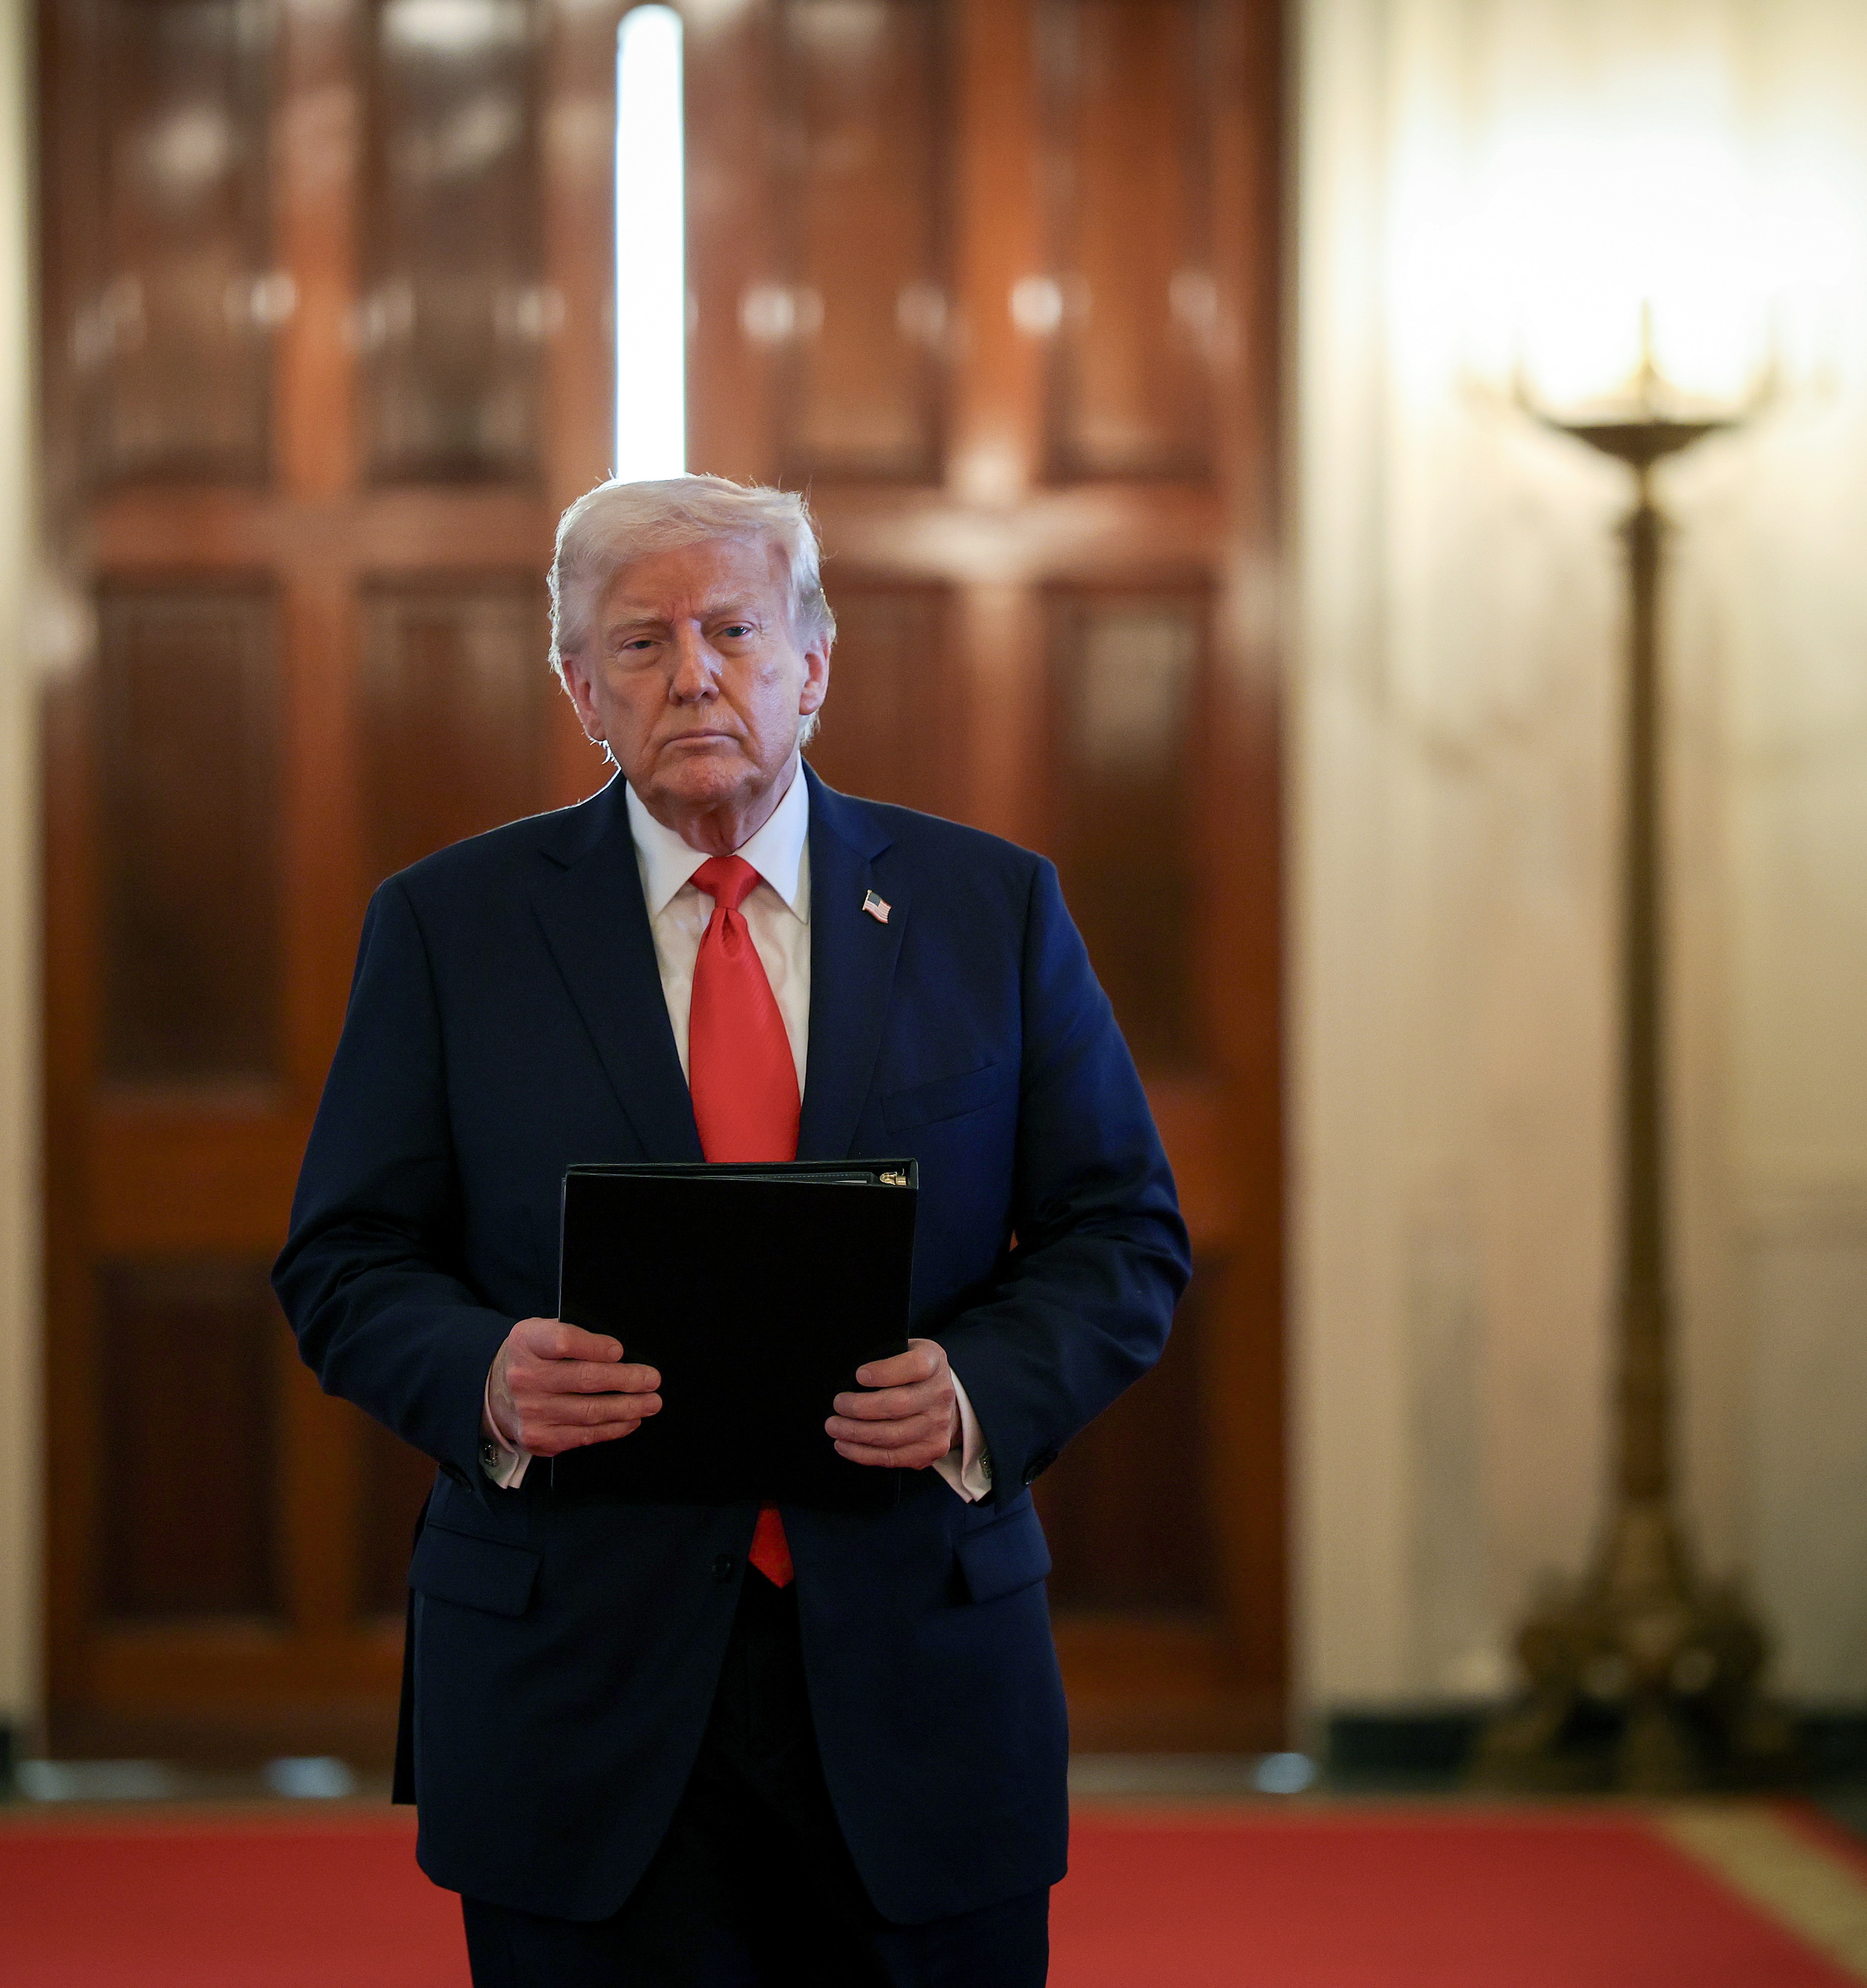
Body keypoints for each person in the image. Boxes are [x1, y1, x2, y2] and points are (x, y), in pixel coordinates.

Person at [272, 474, 1188, 1987]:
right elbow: (346, 1261)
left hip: (917, 1669)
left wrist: (975, 1390)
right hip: (576, 1681)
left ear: (814, 664)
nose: (694, 672)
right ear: (579, 688)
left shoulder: (989, 909)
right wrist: (490, 1375)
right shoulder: (451, 928)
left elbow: (1123, 1234)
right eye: (639, 643)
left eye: (735, 630)